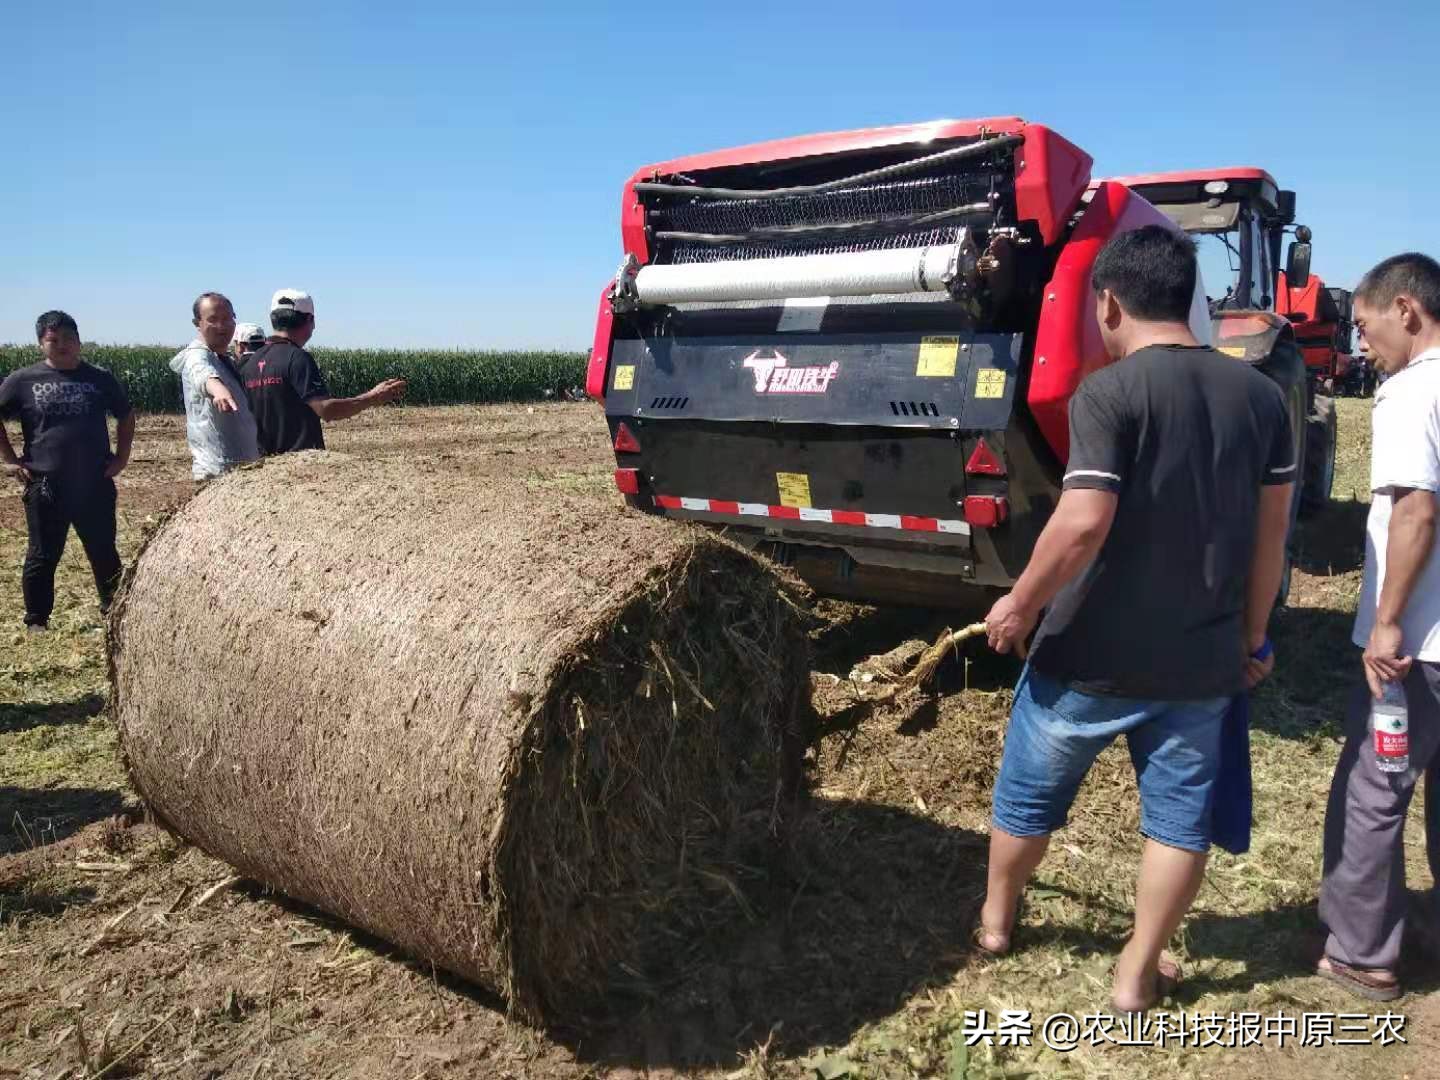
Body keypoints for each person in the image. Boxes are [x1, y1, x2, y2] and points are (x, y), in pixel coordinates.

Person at [978, 225, 1296, 1010]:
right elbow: (1270, 541)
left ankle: (995, 919)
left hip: (1088, 656)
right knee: (1176, 825)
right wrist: (1253, 638)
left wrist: (1020, 602)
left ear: (1109, 303)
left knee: (1026, 801)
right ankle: (1136, 968)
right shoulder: (1262, 398)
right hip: (1197, 665)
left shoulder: (1111, 392)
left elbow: (1084, 521)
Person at [1318, 252, 1440, 1001]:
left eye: (1365, 328)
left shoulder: (1410, 393)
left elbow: (1416, 510)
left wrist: (1388, 623)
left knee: (1374, 787)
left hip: (1419, 646)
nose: (1363, 346)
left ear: (1406, 309)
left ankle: (1364, 952)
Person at [0, 311, 136, 631]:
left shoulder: (100, 377)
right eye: (53, 340)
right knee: (43, 555)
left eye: (69, 339)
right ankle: (37, 620)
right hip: (46, 484)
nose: (62, 345)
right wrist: (9, 459)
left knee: (104, 551)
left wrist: (122, 457)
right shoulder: (22, 381)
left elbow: (126, 416)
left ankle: (113, 611)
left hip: (95, 483)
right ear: (40, 344)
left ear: (79, 341)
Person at [240, 289, 406, 454]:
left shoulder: (250, 364)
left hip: (264, 467)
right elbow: (326, 410)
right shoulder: (297, 358)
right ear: (310, 320)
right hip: (300, 464)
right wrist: (373, 398)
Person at [169, 292, 260, 482]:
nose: (222, 326)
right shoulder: (197, 356)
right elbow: (202, 373)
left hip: (241, 469)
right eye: (213, 320)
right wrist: (218, 389)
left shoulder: (224, 359)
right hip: (218, 472)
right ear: (197, 323)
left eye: (227, 318)